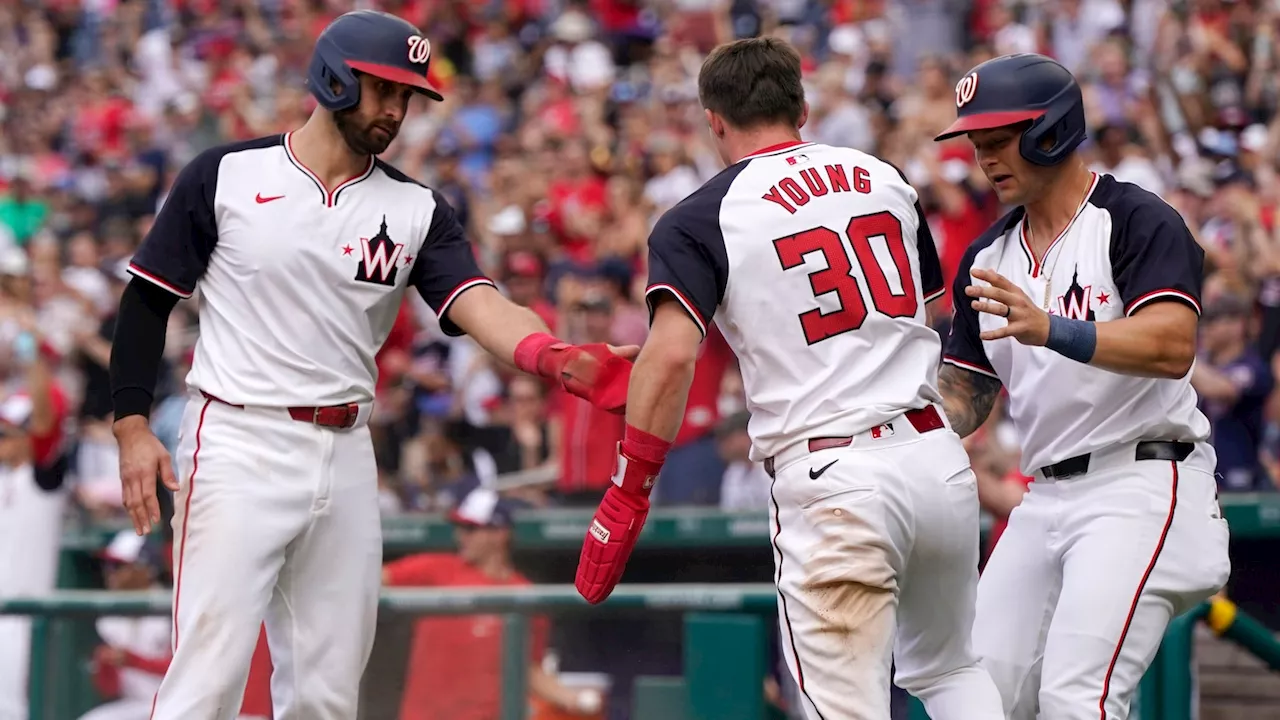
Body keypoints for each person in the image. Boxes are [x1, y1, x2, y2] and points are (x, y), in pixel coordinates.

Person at [107, 11, 634, 720]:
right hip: (239, 435)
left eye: (407, 96)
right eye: (382, 90)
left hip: (347, 449)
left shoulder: (417, 208)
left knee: (326, 694)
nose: (396, 110)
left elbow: (480, 302)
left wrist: (555, 354)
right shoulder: (227, 174)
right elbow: (147, 302)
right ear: (332, 77)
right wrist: (132, 424)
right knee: (207, 682)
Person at [572, 36, 1004, 720]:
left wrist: (630, 490)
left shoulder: (700, 215)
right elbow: (924, 313)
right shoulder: (883, 175)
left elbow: (674, 357)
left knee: (842, 708)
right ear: (800, 106)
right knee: (953, 671)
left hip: (834, 476)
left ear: (713, 120)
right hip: (933, 455)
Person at [932, 53, 1232, 719]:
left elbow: (1170, 345)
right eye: (977, 144)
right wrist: (895, 410)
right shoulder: (986, 258)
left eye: (999, 139)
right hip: (1043, 501)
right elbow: (967, 395)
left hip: (1143, 483)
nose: (985, 158)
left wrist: (1053, 328)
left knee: (1077, 700)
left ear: (1051, 130)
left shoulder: (1133, 219)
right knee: (973, 701)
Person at [382, 485, 603, 720]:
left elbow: (528, 669)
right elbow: (373, 581)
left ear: (500, 533)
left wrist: (571, 698)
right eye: (460, 528)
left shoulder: (525, 594)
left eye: (471, 529)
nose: (461, 536)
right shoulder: (435, 570)